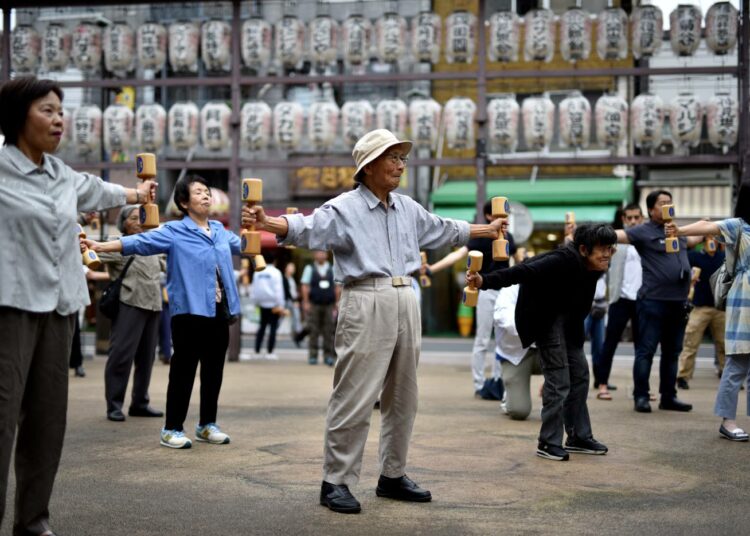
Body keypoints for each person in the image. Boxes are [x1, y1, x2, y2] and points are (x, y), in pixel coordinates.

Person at [242, 129, 506, 513]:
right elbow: (307, 228)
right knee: (355, 395)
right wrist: (268, 222)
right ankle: (335, 481)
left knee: (404, 396)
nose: (400, 165)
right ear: (367, 166)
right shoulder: (344, 207)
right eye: (392, 158)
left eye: (402, 158)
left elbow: (444, 228)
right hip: (364, 297)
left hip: (405, 297)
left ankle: (392, 475)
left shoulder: (408, 207)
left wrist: (486, 229)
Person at [0, 76, 155, 536]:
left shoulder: (61, 174)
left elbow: (99, 190)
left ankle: (33, 520)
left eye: (60, 111)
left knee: (48, 421)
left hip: (62, 306)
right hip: (11, 305)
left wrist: (137, 195)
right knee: (3, 419)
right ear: (17, 116)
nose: (58, 119)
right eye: (47, 110)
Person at [85, 175, 238, 450]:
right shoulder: (174, 230)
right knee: (183, 370)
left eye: (207, 191)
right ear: (183, 202)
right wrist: (100, 246)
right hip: (189, 310)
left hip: (219, 309)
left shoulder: (219, 230)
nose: (206, 195)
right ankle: (172, 428)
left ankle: (206, 424)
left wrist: (273, 226)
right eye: (199, 192)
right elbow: (138, 243)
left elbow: (248, 246)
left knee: (214, 370)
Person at [467, 224, 614, 462]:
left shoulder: (595, 264)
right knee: (559, 381)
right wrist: (484, 280)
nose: (607, 254)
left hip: (570, 324)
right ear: (584, 249)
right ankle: (548, 442)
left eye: (610, 248)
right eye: (602, 249)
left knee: (580, 376)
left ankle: (578, 437)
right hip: (545, 319)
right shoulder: (560, 260)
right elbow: (521, 271)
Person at [665, 182, 750, 441]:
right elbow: (710, 227)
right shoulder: (739, 226)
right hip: (744, 301)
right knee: (736, 363)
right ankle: (728, 421)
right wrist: (679, 230)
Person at [614, 191, 697, 414]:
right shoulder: (643, 231)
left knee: (672, 353)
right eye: (662, 203)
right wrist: (588, 234)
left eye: (670, 202)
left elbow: (695, 238)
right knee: (646, 350)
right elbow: (617, 235)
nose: (668, 205)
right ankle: (641, 396)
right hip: (652, 301)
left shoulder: (677, 231)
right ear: (651, 210)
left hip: (678, 302)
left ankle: (668, 397)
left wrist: (708, 226)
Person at [426, 199, 516, 396]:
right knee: (482, 339)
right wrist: (432, 269)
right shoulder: (482, 237)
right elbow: (458, 255)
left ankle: (499, 384)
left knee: (504, 340)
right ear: (489, 216)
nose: (503, 217)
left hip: (506, 293)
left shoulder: (509, 237)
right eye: (499, 213)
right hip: (485, 291)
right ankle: (479, 385)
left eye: (505, 213)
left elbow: (517, 263)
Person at [98, 205, 165, 422]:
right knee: (121, 356)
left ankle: (140, 403)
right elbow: (94, 252)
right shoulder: (118, 243)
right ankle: (114, 405)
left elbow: (166, 263)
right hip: (130, 303)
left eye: (142, 217)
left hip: (154, 305)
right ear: (124, 222)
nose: (139, 221)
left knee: (147, 359)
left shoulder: (153, 242)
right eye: (134, 217)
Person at [597, 204, 643, 400]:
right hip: (619, 299)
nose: (632, 221)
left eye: (636, 217)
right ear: (623, 219)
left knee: (643, 348)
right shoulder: (615, 243)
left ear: (642, 219)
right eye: (629, 218)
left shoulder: (647, 241)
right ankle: (602, 385)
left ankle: (641, 389)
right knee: (610, 344)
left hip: (643, 300)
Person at [676, 236, 726, 390]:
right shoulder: (695, 256)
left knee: (724, 344)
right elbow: (682, 266)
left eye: (714, 238)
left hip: (720, 308)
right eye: (708, 238)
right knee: (690, 343)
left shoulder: (723, 257)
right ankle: (683, 376)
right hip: (700, 307)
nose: (711, 241)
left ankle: (727, 374)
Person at [493, 284, 542, 420]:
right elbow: (507, 321)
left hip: (547, 350)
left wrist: (555, 378)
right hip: (515, 353)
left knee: (571, 361)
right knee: (519, 411)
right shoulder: (510, 288)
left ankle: (552, 400)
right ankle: (508, 396)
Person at [300, 250, 339, 366]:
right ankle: (313, 355)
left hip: (329, 304)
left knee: (329, 330)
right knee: (313, 330)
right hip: (314, 303)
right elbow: (305, 286)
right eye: (318, 252)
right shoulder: (309, 268)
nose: (321, 255)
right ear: (314, 255)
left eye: (323, 252)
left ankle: (328, 356)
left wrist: (337, 302)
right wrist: (306, 302)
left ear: (326, 255)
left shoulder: (332, 268)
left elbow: (337, 287)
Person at [251, 254, 286, 360]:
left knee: (262, 327)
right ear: (274, 261)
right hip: (273, 304)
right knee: (273, 329)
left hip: (262, 303)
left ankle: (257, 350)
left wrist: (255, 301)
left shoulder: (258, 272)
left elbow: (254, 288)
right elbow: (278, 290)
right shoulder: (276, 272)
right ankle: (270, 351)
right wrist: (281, 304)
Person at [282, 261, 304, 347]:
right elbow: (287, 292)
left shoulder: (291, 279)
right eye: (291, 267)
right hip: (288, 301)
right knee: (280, 319)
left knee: (296, 319)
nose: (292, 269)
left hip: (292, 300)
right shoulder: (284, 279)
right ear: (286, 268)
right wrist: (294, 301)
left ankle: (297, 336)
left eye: (293, 268)